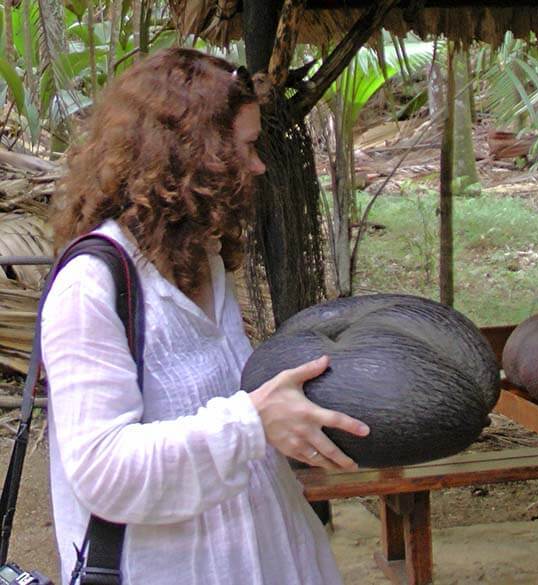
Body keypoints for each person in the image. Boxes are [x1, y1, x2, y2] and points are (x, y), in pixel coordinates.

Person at [42, 47, 368, 584]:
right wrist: (253, 422)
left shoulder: (204, 258)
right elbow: (103, 471)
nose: (259, 164)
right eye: (246, 146)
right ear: (189, 155)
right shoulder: (90, 286)